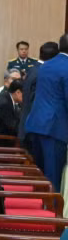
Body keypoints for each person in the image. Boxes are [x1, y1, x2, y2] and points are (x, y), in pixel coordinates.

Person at [24, 34, 68, 189]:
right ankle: (50, 211)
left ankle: (39, 208)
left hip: (37, 124)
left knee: (40, 174)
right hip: (55, 129)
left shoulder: (45, 65)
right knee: (53, 177)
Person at [19, 41, 59, 145]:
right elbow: (35, 103)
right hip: (35, 131)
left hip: (28, 127)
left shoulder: (33, 69)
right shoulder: (43, 73)